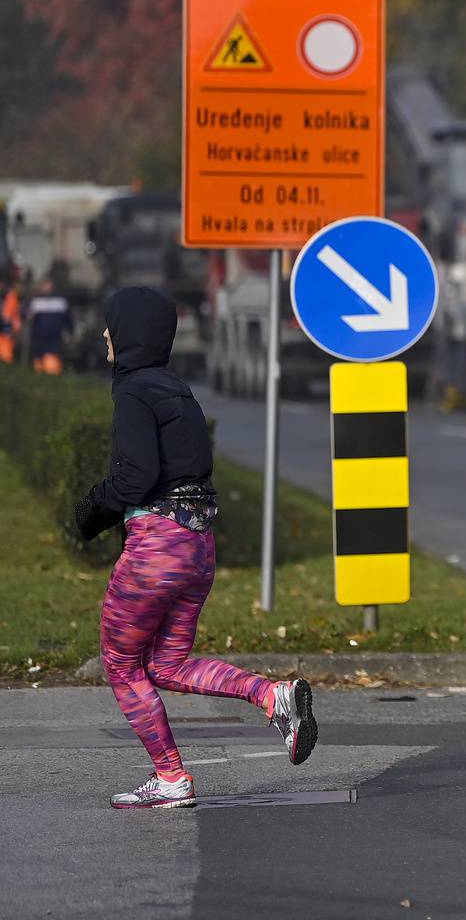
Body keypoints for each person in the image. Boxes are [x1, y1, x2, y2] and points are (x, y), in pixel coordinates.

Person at [73, 286, 317, 811]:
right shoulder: (180, 391)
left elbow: (134, 477)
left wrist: (91, 511)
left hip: (156, 551)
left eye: (110, 325)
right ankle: (271, 697)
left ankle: (171, 777)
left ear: (130, 333)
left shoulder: (133, 391)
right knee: (166, 665)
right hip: (198, 549)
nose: (105, 335)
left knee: (120, 663)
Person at [27, 277, 72, 374]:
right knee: (38, 367)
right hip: (38, 340)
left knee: (52, 367)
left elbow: (68, 319)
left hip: (54, 341)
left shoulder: (60, 301)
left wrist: (69, 333)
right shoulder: (36, 300)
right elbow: (27, 316)